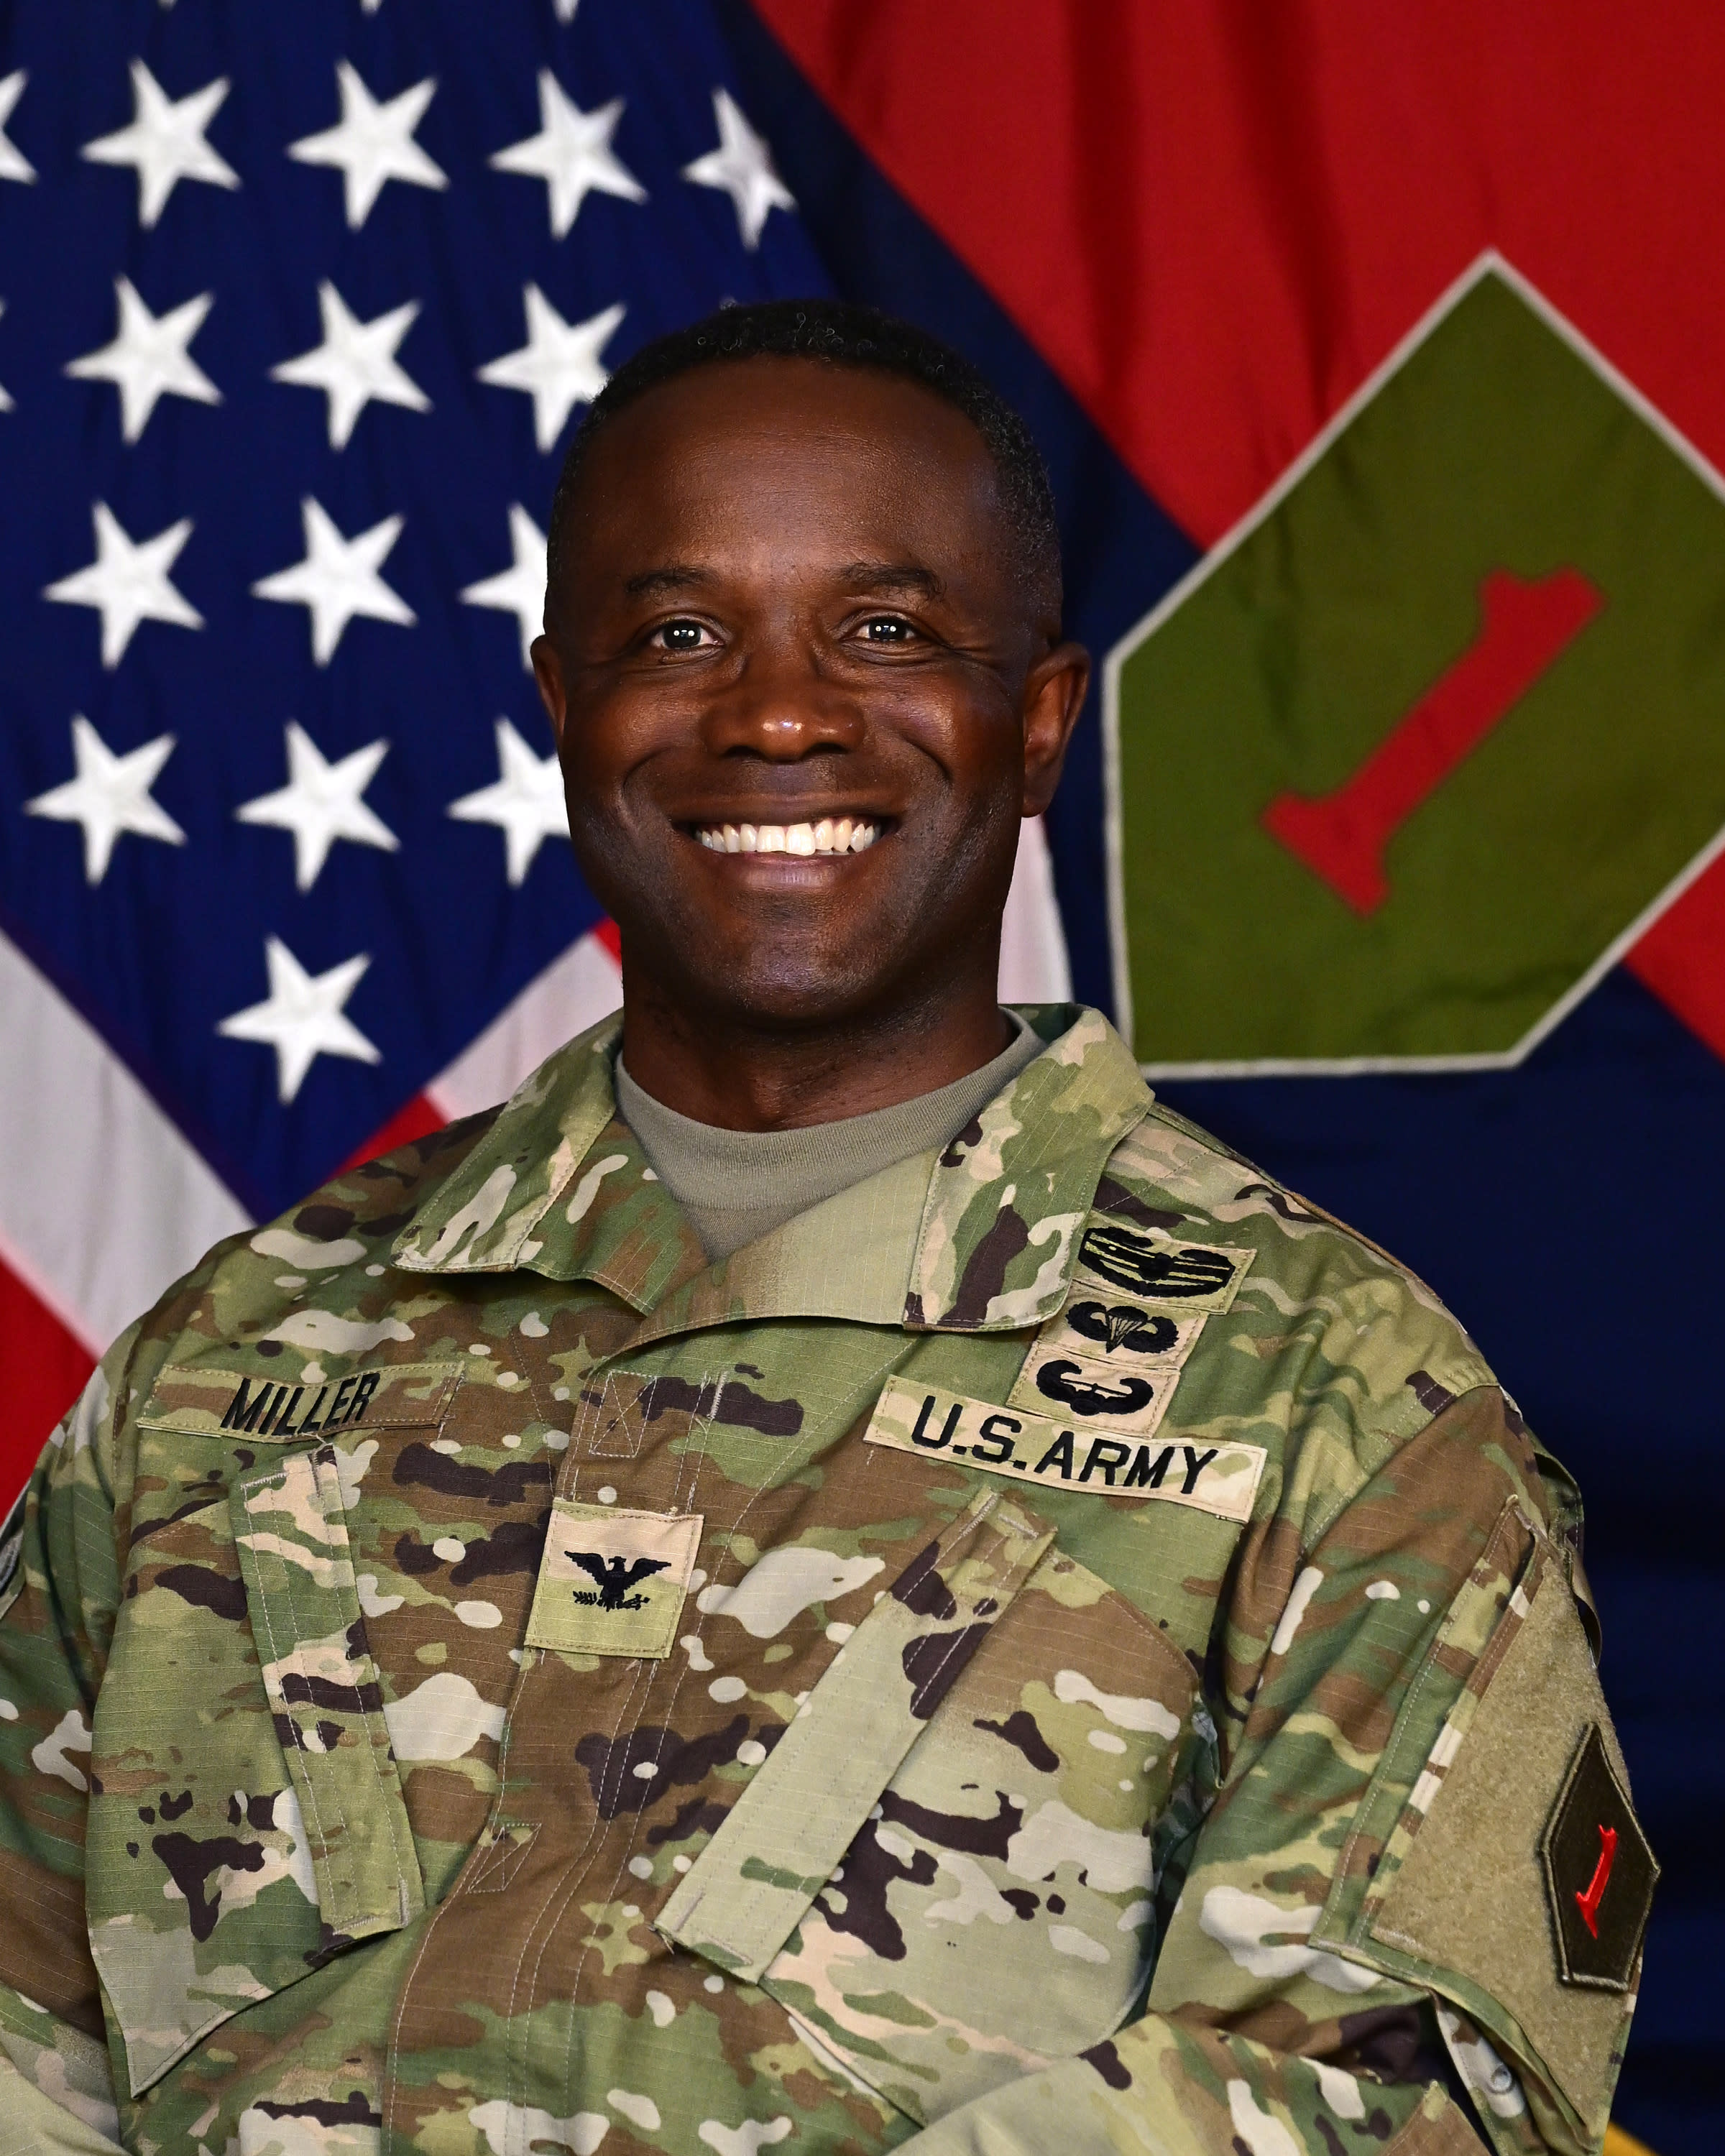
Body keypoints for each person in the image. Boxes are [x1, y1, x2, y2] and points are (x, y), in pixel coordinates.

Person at [0, 300, 1651, 2156]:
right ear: (560, 706)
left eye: (884, 633)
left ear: (1038, 721)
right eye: (677, 635)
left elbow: (1365, 2097)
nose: (777, 714)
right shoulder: (240, 1355)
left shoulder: (1336, 1405)